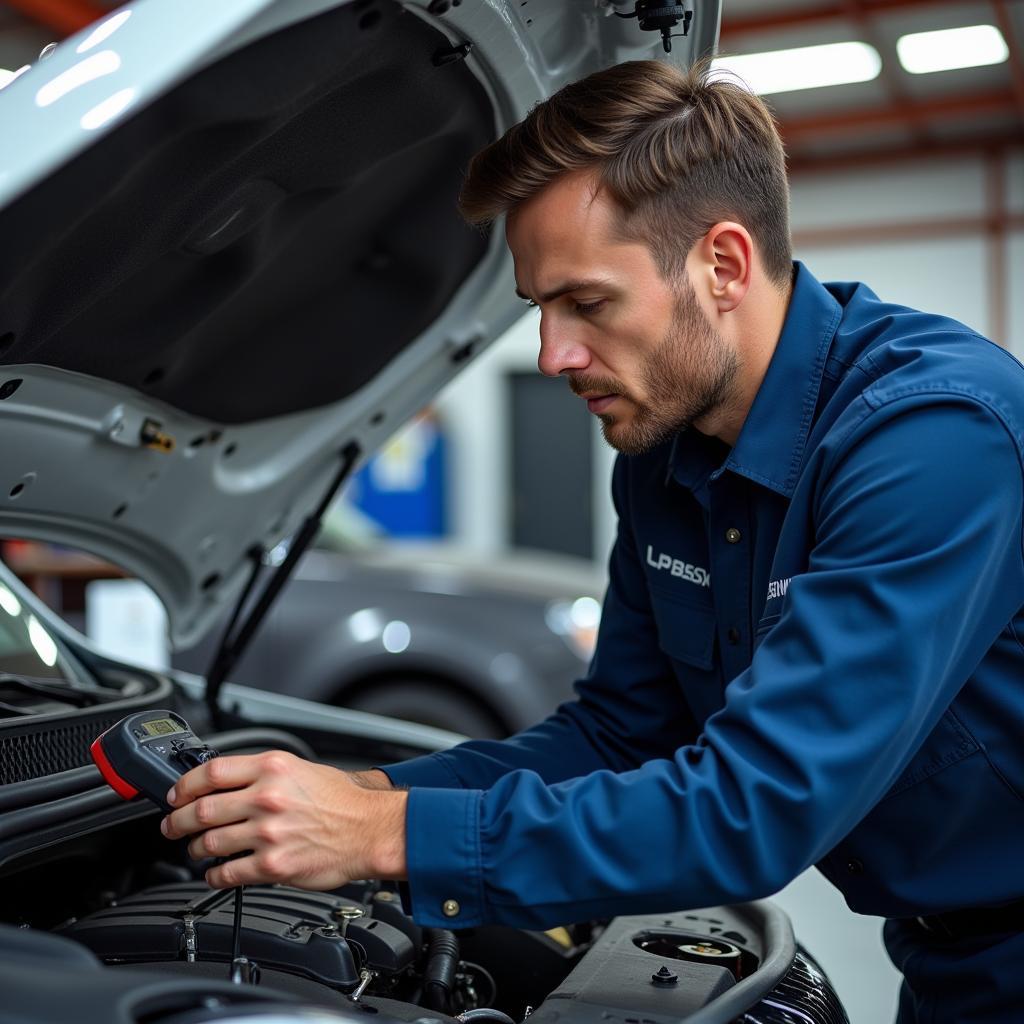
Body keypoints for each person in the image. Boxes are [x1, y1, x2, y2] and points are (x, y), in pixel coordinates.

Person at [161, 59, 1024, 1023]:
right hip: (951, 957)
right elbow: (617, 736)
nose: (552, 355)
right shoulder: (664, 456)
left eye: (588, 303)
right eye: (540, 309)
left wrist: (388, 832)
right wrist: (354, 793)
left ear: (723, 265)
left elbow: (757, 804)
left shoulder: (931, 436)